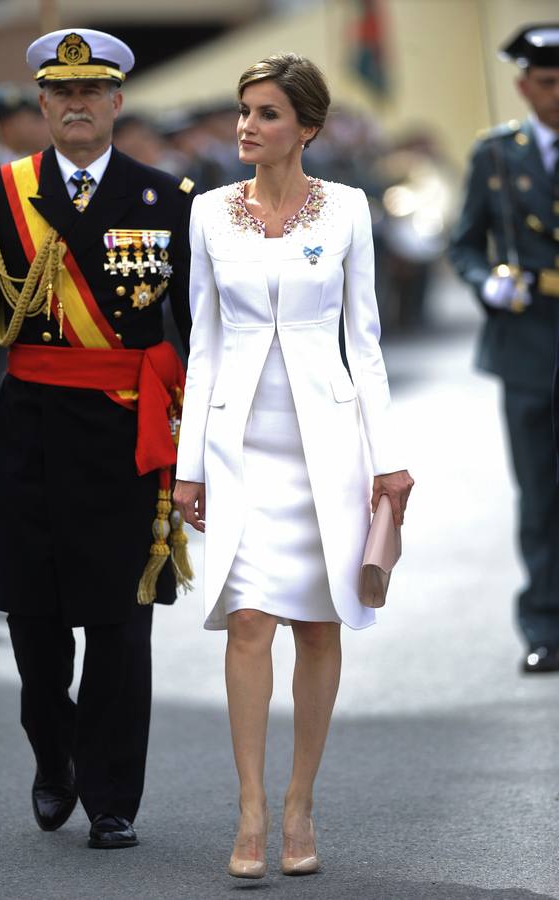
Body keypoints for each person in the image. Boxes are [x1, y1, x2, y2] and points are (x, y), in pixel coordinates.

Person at [0, 28, 194, 849]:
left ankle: (113, 796)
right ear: (43, 105)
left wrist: (206, 429)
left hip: (125, 432)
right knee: (35, 626)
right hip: (33, 431)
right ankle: (55, 754)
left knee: (121, 622)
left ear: (116, 101)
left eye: (91, 93)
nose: (76, 106)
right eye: (61, 94)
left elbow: (194, 328)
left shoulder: (168, 198)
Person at [173, 53, 413, 878]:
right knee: (246, 621)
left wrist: (388, 463)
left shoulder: (346, 210)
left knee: (316, 624)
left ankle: (298, 804)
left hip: (328, 446)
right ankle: (247, 810)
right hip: (237, 444)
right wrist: (186, 466)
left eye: (267, 113)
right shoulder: (205, 213)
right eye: (243, 111)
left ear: (305, 127)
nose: (247, 125)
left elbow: (367, 343)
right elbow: (201, 344)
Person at [450, 25, 559, 674]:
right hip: (528, 338)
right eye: (547, 83)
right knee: (540, 491)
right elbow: (464, 242)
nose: (558, 94)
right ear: (523, 86)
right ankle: (543, 625)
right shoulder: (495, 155)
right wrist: (485, 281)